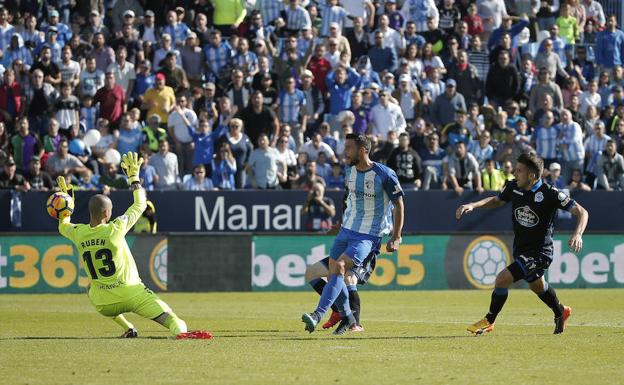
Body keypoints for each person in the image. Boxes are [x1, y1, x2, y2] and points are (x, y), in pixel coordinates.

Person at [55, 153, 211, 339]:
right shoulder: (115, 228)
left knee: (91, 289)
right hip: (132, 294)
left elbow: (63, 225)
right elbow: (140, 204)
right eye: (110, 209)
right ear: (106, 213)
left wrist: (67, 207)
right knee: (172, 319)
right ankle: (181, 333)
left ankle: (128, 328)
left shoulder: (78, 233)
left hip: (104, 304)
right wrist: (134, 179)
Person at [456, 151, 588, 335]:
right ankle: (561, 311)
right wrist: (473, 205)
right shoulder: (514, 187)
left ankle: (489, 320)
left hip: (541, 252)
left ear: (532, 175)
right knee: (537, 286)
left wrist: (578, 234)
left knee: (501, 280)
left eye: (519, 170)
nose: (514, 174)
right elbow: (496, 200)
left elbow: (582, 212)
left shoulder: (550, 194)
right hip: (522, 248)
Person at [301, 133, 404, 335]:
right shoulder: (350, 172)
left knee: (340, 268)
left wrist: (396, 236)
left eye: (349, 147)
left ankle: (317, 314)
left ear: (363, 150)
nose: (344, 151)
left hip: (367, 236)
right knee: (327, 272)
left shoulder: (385, 174)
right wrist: (340, 225)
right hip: (345, 232)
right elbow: (353, 204)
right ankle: (348, 317)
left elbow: (399, 204)